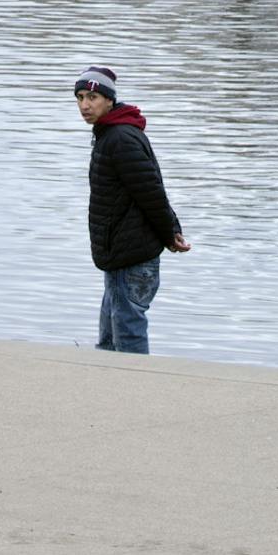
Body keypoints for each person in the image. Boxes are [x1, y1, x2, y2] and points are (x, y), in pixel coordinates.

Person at [75, 66, 189, 353]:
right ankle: (111, 394)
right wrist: (172, 229)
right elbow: (149, 185)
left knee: (127, 339)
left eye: (92, 97)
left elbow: (151, 192)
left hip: (132, 257)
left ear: (109, 100)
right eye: (79, 98)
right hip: (121, 254)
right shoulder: (110, 134)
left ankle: (136, 394)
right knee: (109, 340)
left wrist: (169, 234)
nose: (85, 105)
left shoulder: (120, 138)